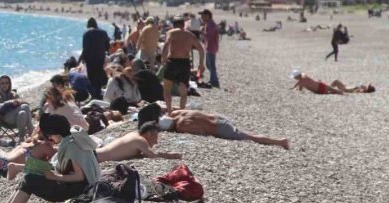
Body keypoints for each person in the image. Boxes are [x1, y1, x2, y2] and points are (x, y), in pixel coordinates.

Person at [0, 114, 100, 203]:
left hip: (81, 190)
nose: (50, 139)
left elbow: (79, 177)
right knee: (32, 175)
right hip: (78, 186)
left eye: (49, 136)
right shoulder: (72, 139)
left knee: (30, 179)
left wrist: (54, 177)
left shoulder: (72, 146)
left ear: (54, 133)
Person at [158, 110, 289, 149]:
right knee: (247, 133)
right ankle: (279, 141)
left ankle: (280, 141)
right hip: (218, 117)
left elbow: (202, 133)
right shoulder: (177, 113)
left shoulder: (182, 126)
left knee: (250, 137)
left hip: (220, 128)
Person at [161, 17, 205, 111]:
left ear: (173, 25)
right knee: (183, 90)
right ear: (183, 25)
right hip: (185, 63)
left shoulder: (171, 32)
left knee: (167, 88)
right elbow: (201, 49)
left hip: (172, 61)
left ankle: (169, 111)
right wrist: (201, 64)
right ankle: (181, 111)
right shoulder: (190, 35)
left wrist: (163, 58)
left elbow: (167, 43)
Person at [95, 122, 183, 162]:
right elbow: (152, 155)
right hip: (95, 158)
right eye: (155, 137)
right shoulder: (140, 140)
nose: (156, 141)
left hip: (96, 154)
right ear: (149, 133)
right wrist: (172, 155)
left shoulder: (134, 134)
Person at [0, 75, 34, 144]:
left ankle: (21, 139)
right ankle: (32, 133)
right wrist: (9, 103)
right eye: (2, 83)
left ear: (9, 84)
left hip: (16, 118)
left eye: (7, 83)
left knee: (22, 113)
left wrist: (18, 102)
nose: (5, 85)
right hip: (3, 118)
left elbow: (20, 104)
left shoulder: (13, 94)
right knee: (25, 107)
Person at [80, 18, 111, 99]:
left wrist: (81, 59)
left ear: (88, 25)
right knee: (98, 74)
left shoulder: (86, 33)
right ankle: (98, 92)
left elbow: (85, 48)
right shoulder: (104, 32)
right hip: (100, 57)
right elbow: (108, 47)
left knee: (91, 77)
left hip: (90, 59)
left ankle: (95, 95)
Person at [200, 9, 220, 88]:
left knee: (211, 65)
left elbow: (209, 35)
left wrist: (202, 32)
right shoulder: (208, 23)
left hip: (211, 47)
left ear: (207, 16)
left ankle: (214, 81)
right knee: (209, 64)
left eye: (203, 15)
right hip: (210, 46)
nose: (201, 17)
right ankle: (214, 79)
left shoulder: (210, 24)